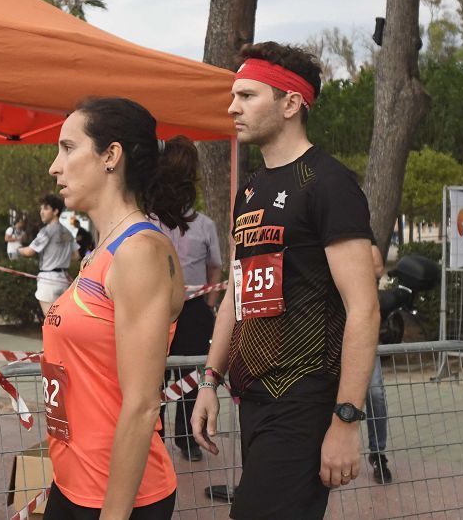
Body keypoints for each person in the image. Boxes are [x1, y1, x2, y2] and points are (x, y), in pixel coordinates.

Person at [191, 41, 380, 519]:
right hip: (251, 396)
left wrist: (346, 420)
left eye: (248, 96)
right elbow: (237, 291)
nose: (232, 106)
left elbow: (364, 307)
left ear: (291, 104)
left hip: (304, 395)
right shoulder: (251, 188)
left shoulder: (329, 184)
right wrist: (209, 382)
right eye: (234, 96)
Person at [42, 97, 196, 520]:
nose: (55, 166)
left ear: (111, 156)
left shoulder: (140, 251)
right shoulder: (100, 252)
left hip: (118, 499)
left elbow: (143, 404)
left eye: (68, 148)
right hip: (74, 483)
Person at [157, 205, 222, 462]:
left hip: (194, 309)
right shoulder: (149, 222)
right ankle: (154, 438)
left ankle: (188, 439)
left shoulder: (205, 224)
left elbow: (214, 267)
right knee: (154, 377)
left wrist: (209, 304)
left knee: (192, 378)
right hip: (156, 308)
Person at [19, 195, 75, 315]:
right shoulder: (68, 232)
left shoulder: (46, 231)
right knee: (62, 321)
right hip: (64, 280)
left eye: (45, 208)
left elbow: (29, 252)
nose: (41, 212)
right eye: (41, 209)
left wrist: (17, 250)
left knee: (50, 322)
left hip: (48, 280)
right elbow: (76, 255)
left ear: (55, 211)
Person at [366, 242, 391, 484]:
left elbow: (376, 266)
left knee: (375, 392)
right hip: (327, 325)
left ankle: (378, 453)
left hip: (361, 327)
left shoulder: (353, 219)